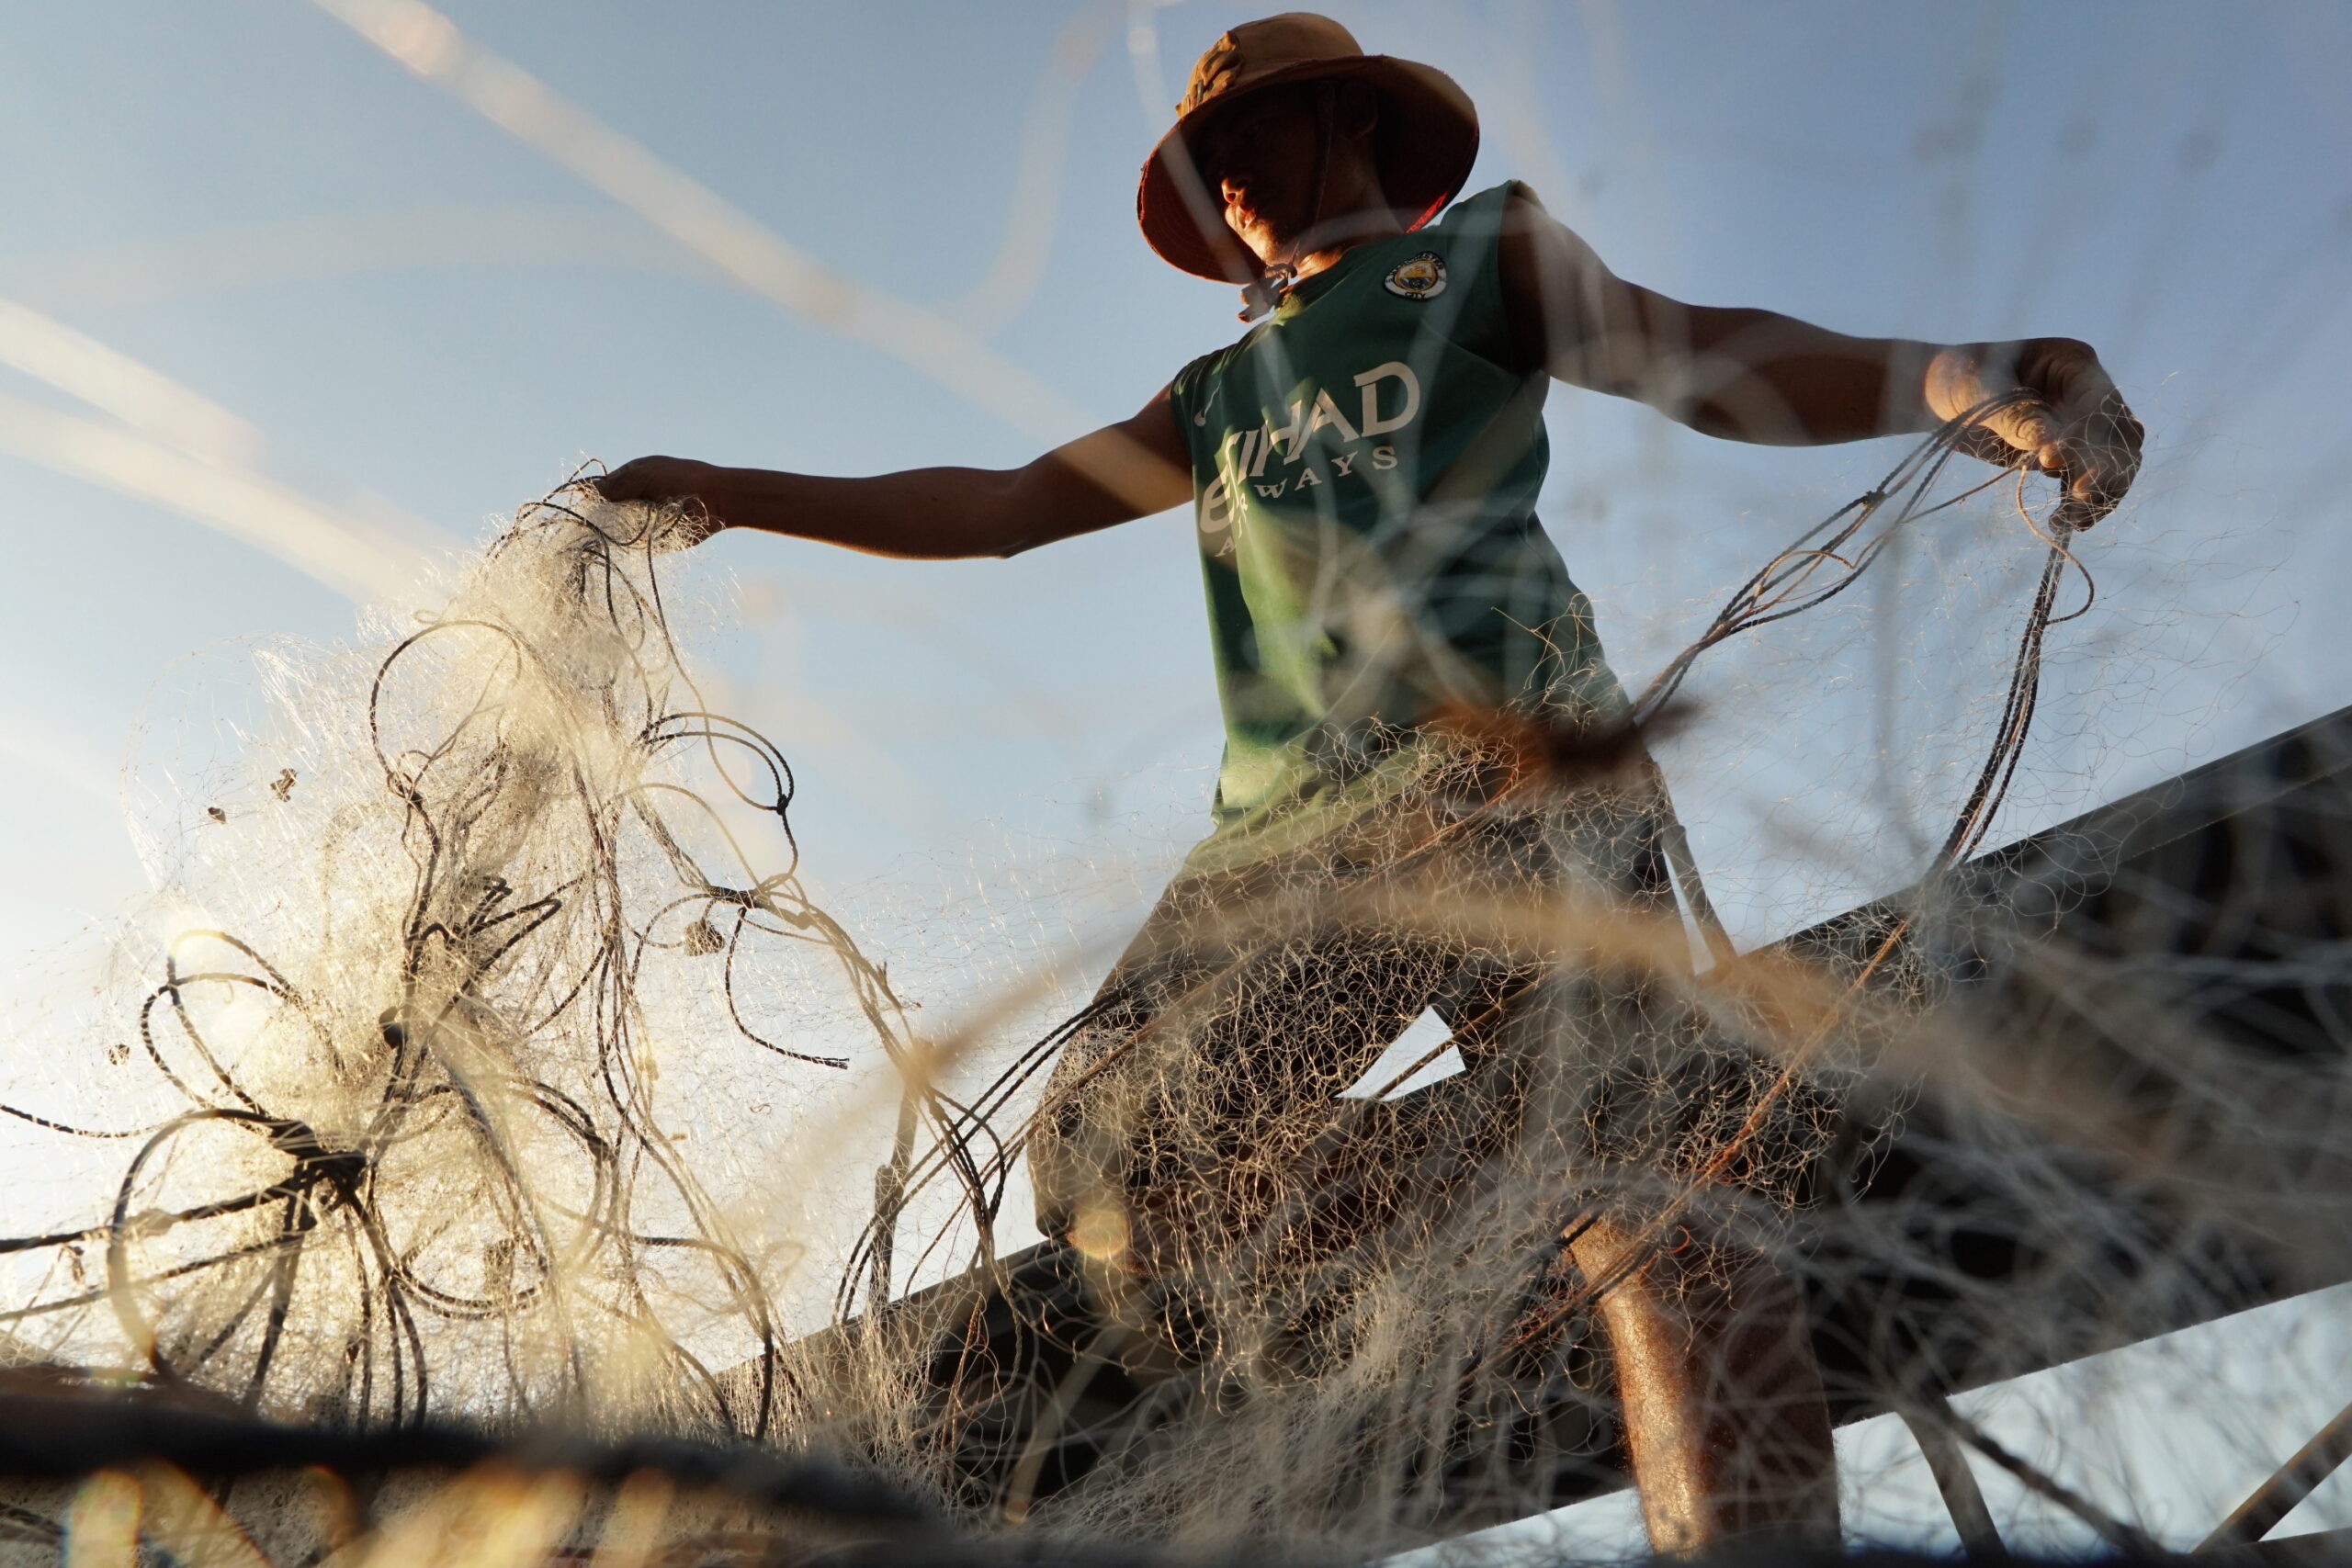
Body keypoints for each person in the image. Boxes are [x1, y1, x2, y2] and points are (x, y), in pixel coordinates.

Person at [596, 13, 2141, 1549]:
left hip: (1516, 781)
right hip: (1286, 840)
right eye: (1202, 162)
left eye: (1249, 136)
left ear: (1347, 123)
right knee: (1105, 1169)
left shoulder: (1476, 260)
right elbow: (1002, 504)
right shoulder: (1213, 395)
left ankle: (1641, 1225)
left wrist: (1970, 377)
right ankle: (1580, 1148)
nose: (1227, 180)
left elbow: (1706, 361)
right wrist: (732, 493)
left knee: (1673, 1236)